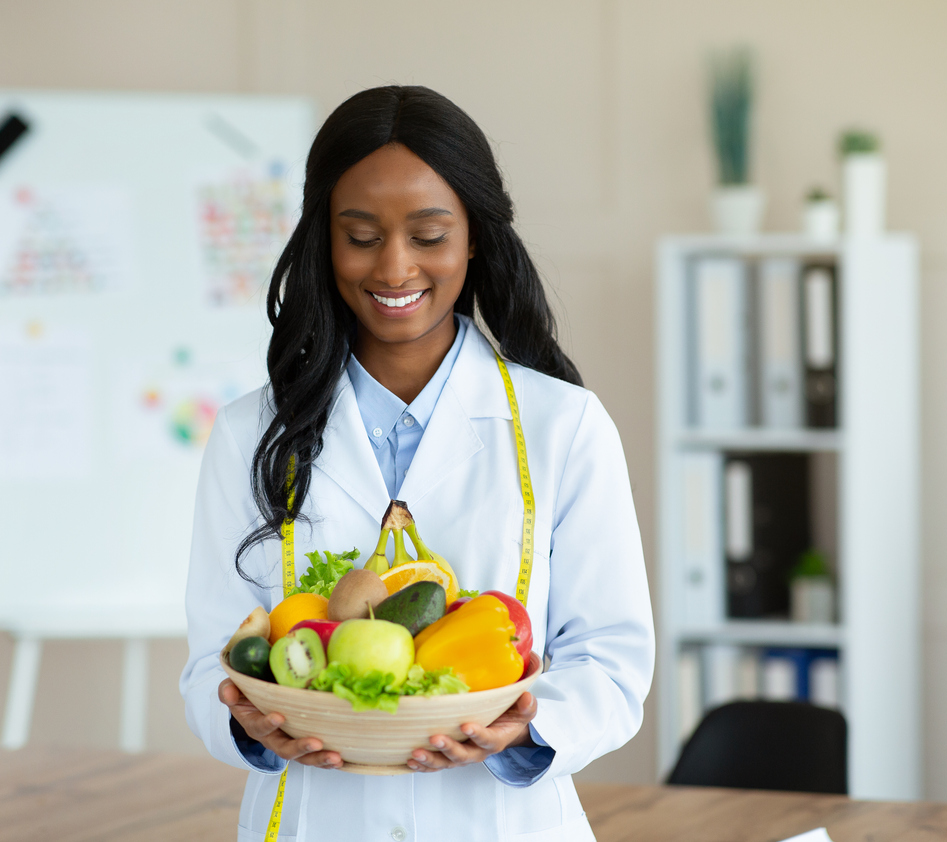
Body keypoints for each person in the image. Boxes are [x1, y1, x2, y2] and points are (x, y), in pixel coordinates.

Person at [180, 85, 654, 842]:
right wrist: (249, 727)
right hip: (314, 819)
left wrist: (526, 729)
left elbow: (611, 662)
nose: (394, 268)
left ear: (474, 240)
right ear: (322, 241)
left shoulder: (565, 427)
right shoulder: (250, 434)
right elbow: (212, 656)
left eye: (429, 235)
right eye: (360, 235)